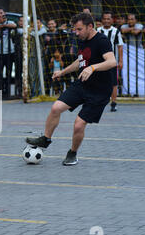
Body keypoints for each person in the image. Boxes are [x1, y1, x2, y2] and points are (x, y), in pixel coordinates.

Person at [26, 12, 117, 166]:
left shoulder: (102, 40)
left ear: (90, 26)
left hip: (99, 91)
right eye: (75, 29)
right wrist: (62, 72)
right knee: (56, 108)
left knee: (78, 124)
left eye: (79, 29)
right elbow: (80, 61)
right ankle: (46, 139)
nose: (76, 32)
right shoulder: (82, 39)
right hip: (82, 84)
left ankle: (72, 153)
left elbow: (112, 61)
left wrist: (93, 68)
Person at [97, 11, 124, 112]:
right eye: (105, 19)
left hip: (112, 61)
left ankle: (113, 103)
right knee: (99, 82)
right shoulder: (98, 30)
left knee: (113, 83)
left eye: (109, 19)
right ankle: (99, 102)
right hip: (100, 61)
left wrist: (120, 61)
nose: (106, 21)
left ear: (112, 20)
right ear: (102, 20)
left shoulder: (116, 31)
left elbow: (120, 46)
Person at [0, 8, 17, 97]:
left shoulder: (9, 22)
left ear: (4, 13)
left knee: (9, 72)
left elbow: (14, 26)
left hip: (9, 51)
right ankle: (0, 91)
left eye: (1, 13)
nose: (0, 15)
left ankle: (7, 91)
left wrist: (4, 25)